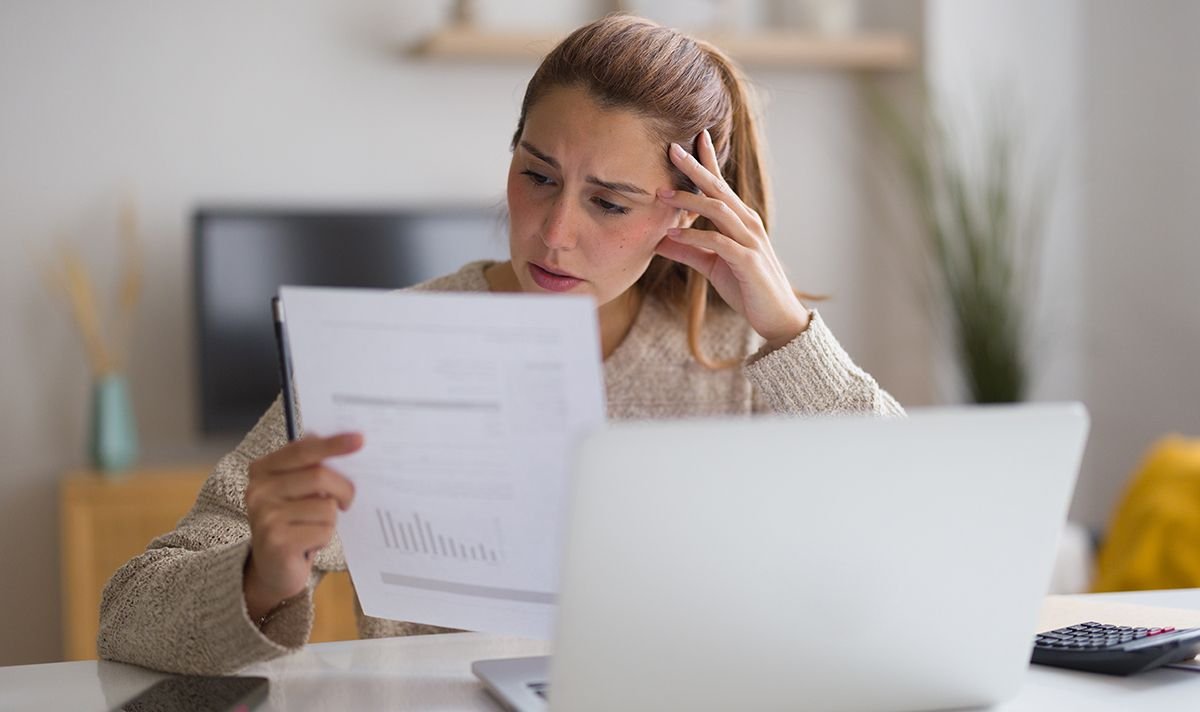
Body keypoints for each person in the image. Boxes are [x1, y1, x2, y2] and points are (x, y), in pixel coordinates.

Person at [98, 14, 903, 675]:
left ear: (687, 212)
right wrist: (260, 576)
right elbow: (129, 613)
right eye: (538, 175)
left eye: (611, 203)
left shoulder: (750, 362)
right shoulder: (391, 349)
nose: (555, 235)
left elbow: (913, 539)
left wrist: (787, 330)